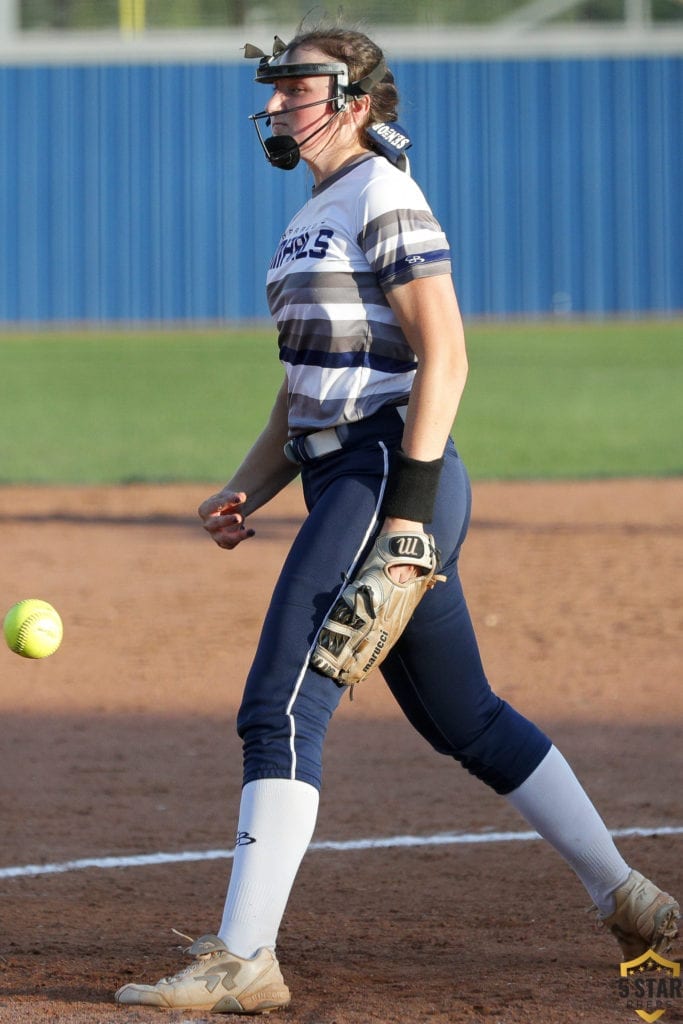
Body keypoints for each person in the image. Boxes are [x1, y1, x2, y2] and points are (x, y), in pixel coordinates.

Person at [115, 22, 679, 1015]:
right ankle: (628, 898)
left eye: (298, 87)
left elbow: (444, 356)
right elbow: (305, 392)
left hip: (389, 471)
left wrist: (409, 514)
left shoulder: (383, 195)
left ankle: (244, 956)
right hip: (346, 477)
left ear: (355, 103)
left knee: (281, 703)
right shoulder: (314, 213)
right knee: (465, 717)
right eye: (276, 87)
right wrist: (251, 482)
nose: (279, 101)